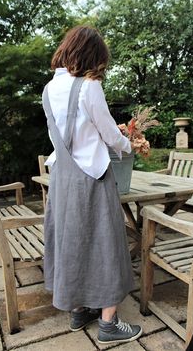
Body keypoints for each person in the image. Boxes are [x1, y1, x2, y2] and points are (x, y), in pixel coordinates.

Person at [42, 25, 142, 344]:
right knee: (106, 243)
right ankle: (109, 324)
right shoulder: (90, 86)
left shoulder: (48, 89)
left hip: (62, 178)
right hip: (92, 178)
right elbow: (111, 134)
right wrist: (130, 145)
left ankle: (79, 310)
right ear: (91, 55)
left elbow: (57, 138)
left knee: (72, 242)